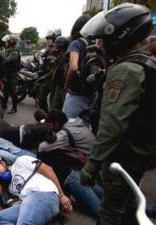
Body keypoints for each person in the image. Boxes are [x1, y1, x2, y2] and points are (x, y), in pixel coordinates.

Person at [79, 3, 156, 225]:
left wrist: (92, 164)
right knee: (128, 204)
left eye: (104, 39)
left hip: (123, 155)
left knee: (110, 212)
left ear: (121, 35)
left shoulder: (125, 71)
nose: (100, 44)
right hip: (140, 153)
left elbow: (112, 126)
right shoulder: (146, 63)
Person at [38, 110, 101, 218]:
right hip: (81, 169)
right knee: (107, 199)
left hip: (75, 176)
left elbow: (42, 147)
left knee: (100, 211)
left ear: (56, 123)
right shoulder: (73, 122)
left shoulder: (62, 136)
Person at [0, 155, 73, 225]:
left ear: (2, 163)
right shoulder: (10, 188)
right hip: (30, 203)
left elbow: (48, 169)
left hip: (43, 193)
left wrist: (61, 195)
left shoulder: (20, 161)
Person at [62, 15, 92, 122]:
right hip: (92, 95)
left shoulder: (76, 43)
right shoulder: (96, 43)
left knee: (67, 126)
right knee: (85, 130)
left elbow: (73, 67)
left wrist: (66, 85)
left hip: (76, 94)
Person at [36, 29, 61, 113]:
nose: (48, 41)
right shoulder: (47, 50)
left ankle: (52, 121)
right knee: (41, 98)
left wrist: (43, 77)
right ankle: (45, 116)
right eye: (47, 39)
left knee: (53, 103)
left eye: (50, 38)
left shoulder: (59, 51)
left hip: (55, 79)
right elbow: (42, 63)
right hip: (47, 78)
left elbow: (55, 69)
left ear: (55, 39)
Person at [1, 34, 20, 114]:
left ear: (10, 43)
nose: (5, 43)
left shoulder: (14, 52)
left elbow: (7, 60)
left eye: (7, 42)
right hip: (7, 73)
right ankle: (3, 106)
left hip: (12, 74)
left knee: (13, 91)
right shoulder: (9, 50)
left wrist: (2, 53)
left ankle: (14, 108)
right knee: (5, 90)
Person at [50, 36, 70, 110]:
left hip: (65, 88)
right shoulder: (58, 58)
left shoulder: (69, 58)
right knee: (54, 107)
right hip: (58, 86)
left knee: (64, 109)